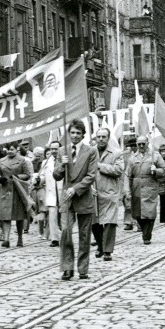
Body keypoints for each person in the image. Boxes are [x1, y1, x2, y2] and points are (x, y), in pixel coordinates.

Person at [53, 119, 98, 280]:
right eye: (72, 132)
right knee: (65, 232)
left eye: (78, 133)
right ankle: (67, 267)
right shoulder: (61, 151)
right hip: (67, 198)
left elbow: (91, 175)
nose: (75, 136)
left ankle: (83, 268)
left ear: (83, 135)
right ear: (68, 134)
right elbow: (56, 175)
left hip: (83, 196)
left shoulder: (91, 151)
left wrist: (75, 188)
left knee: (84, 234)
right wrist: (61, 165)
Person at [127, 135, 165, 245]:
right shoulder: (132, 158)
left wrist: (156, 171)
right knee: (138, 213)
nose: (141, 146)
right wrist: (127, 191)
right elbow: (128, 176)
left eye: (143, 144)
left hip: (150, 186)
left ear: (147, 143)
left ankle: (147, 235)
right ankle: (143, 229)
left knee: (150, 212)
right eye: (139, 144)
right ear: (136, 144)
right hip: (136, 187)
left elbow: (164, 170)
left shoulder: (155, 156)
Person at [91, 128, 123, 261]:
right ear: (95, 138)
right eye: (99, 137)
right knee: (95, 223)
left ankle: (108, 250)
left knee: (110, 223)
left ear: (108, 138)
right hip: (93, 192)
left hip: (110, 192)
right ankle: (100, 245)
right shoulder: (90, 152)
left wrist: (100, 166)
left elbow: (118, 170)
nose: (101, 139)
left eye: (104, 137)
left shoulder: (116, 153)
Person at [0, 143, 33, 248]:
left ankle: (20, 238)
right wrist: (0, 179)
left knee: (19, 216)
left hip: (18, 190)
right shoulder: (2, 161)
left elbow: (27, 175)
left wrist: (17, 176)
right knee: (5, 216)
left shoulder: (22, 160)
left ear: (16, 149)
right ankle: (6, 239)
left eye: (11, 149)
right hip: (5, 190)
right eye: (8, 149)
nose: (9, 151)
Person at [40, 141, 63, 247]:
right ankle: (54, 239)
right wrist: (38, 180)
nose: (54, 151)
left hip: (62, 191)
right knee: (52, 215)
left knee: (63, 216)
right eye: (52, 149)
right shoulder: (46, 162)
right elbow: (42, 176)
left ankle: (65, 236)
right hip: (51, 192)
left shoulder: (65, 160)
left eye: (56, 149)